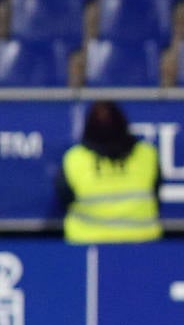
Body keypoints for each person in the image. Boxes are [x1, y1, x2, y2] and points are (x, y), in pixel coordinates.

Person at [56, 100, 162, 244]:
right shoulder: (147, 154)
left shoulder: (75, 159)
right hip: (142, 243)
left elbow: (64, 197)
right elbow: (156, 193)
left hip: (88, 243)